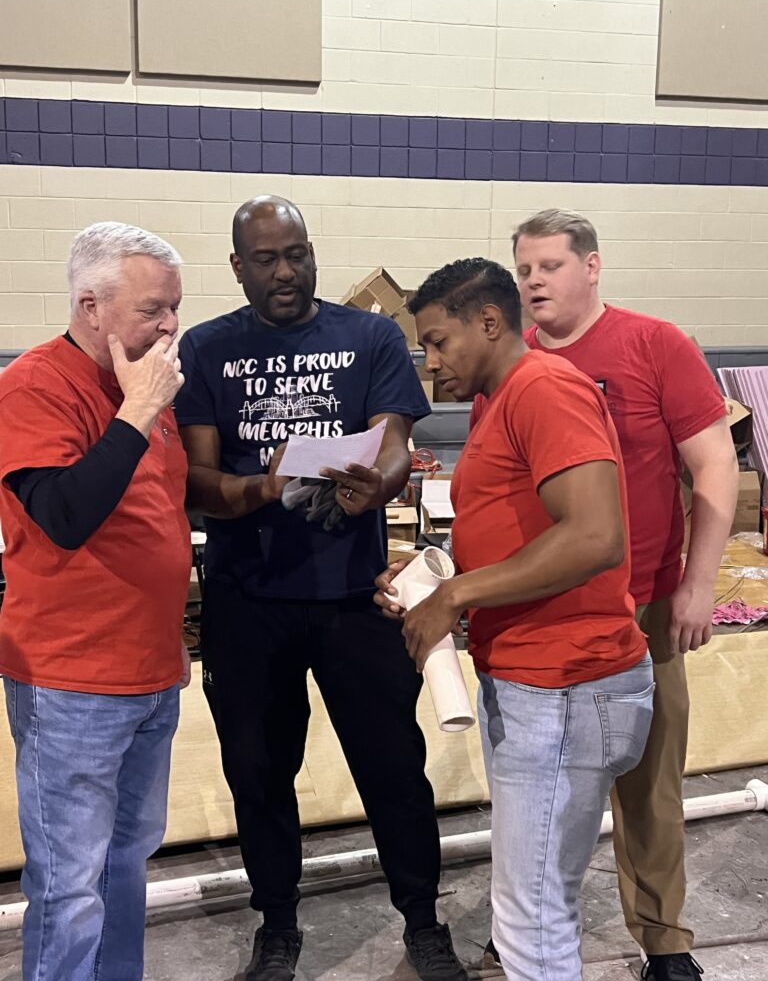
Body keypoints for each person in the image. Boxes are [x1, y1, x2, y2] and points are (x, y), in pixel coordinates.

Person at [174, 195, 468, 981]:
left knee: (393, 768)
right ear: (238, 267)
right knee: (260, 773)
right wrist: (261, 490)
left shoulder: (368, 334)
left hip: (354, 598)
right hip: (248, 602)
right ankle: (277, 925)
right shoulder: (205, 350)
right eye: (267, 259)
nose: (287, 271)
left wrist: (381, 483)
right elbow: (196, 480)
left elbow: (398, 441)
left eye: (297, 253)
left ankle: (423, 922)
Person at [472, 210, 739, 981]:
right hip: (540, 615)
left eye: (549, 266)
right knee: (533, 786)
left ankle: (663, 941)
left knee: (648, 783)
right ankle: (524, 925)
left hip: (645, 604)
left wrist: (697, 587)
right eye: (523, 269)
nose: (532, 282)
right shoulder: (510, 366)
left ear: (593, 267)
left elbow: (715, 467)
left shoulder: (654, 345)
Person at [375, 257, 655, 981]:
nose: (430, 362)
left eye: (438, 342)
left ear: (490, 322)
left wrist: (456, 598)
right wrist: (436, 579)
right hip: (544, 682)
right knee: (540, 902)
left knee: (530, 923)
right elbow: (525, 532)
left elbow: (595, 536)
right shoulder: (504, 397)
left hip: (566, 682)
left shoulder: (543, 387)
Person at [0, 222, 191, 981]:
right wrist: (137, 412)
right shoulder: (35, 387)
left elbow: (159, 518)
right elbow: (65, 516)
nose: (171, 325)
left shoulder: (146, 383)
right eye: (154, 310)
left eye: (175, 307)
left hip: (150, 674)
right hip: (71, 681)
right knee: (71, 883)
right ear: (90, 306)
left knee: (125, 864)